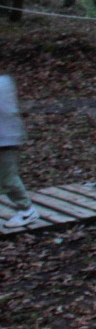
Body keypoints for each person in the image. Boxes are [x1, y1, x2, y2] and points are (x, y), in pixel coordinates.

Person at [0, 76, 38, 228]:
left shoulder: (2, 83)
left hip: (6, 139)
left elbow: (6, 111)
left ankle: (27, 210)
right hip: (6, 137)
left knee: (8, 179)